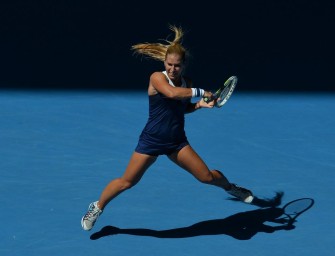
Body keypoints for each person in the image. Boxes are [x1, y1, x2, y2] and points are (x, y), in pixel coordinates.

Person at [81, 25, 254, 231]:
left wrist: (198, 105)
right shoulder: (157, 78)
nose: (172, 69)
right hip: (151, 140)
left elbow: (181, 107)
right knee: (126, 182)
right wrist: (201, 92)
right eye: (169, 64)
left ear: (184, 65)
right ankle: (97, 207)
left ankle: (231, 188)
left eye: (177, 66)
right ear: (164, 63)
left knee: (206, 177)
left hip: (176, 142)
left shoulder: (186, 82)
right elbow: (172, 94)